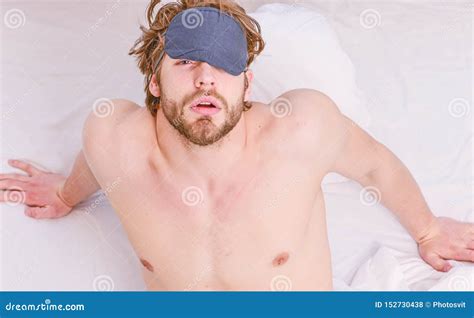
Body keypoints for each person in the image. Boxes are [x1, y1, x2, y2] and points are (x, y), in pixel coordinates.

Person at [1, 0, 473, 291]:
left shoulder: (301, 130)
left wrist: (428, 230)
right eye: (186, 60)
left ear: (247, 85)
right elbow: (96, 162)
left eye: (224, 65)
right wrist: (65, 195)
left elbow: (374, 167)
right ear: (156, 83)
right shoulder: (113, 137)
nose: (206, 76)